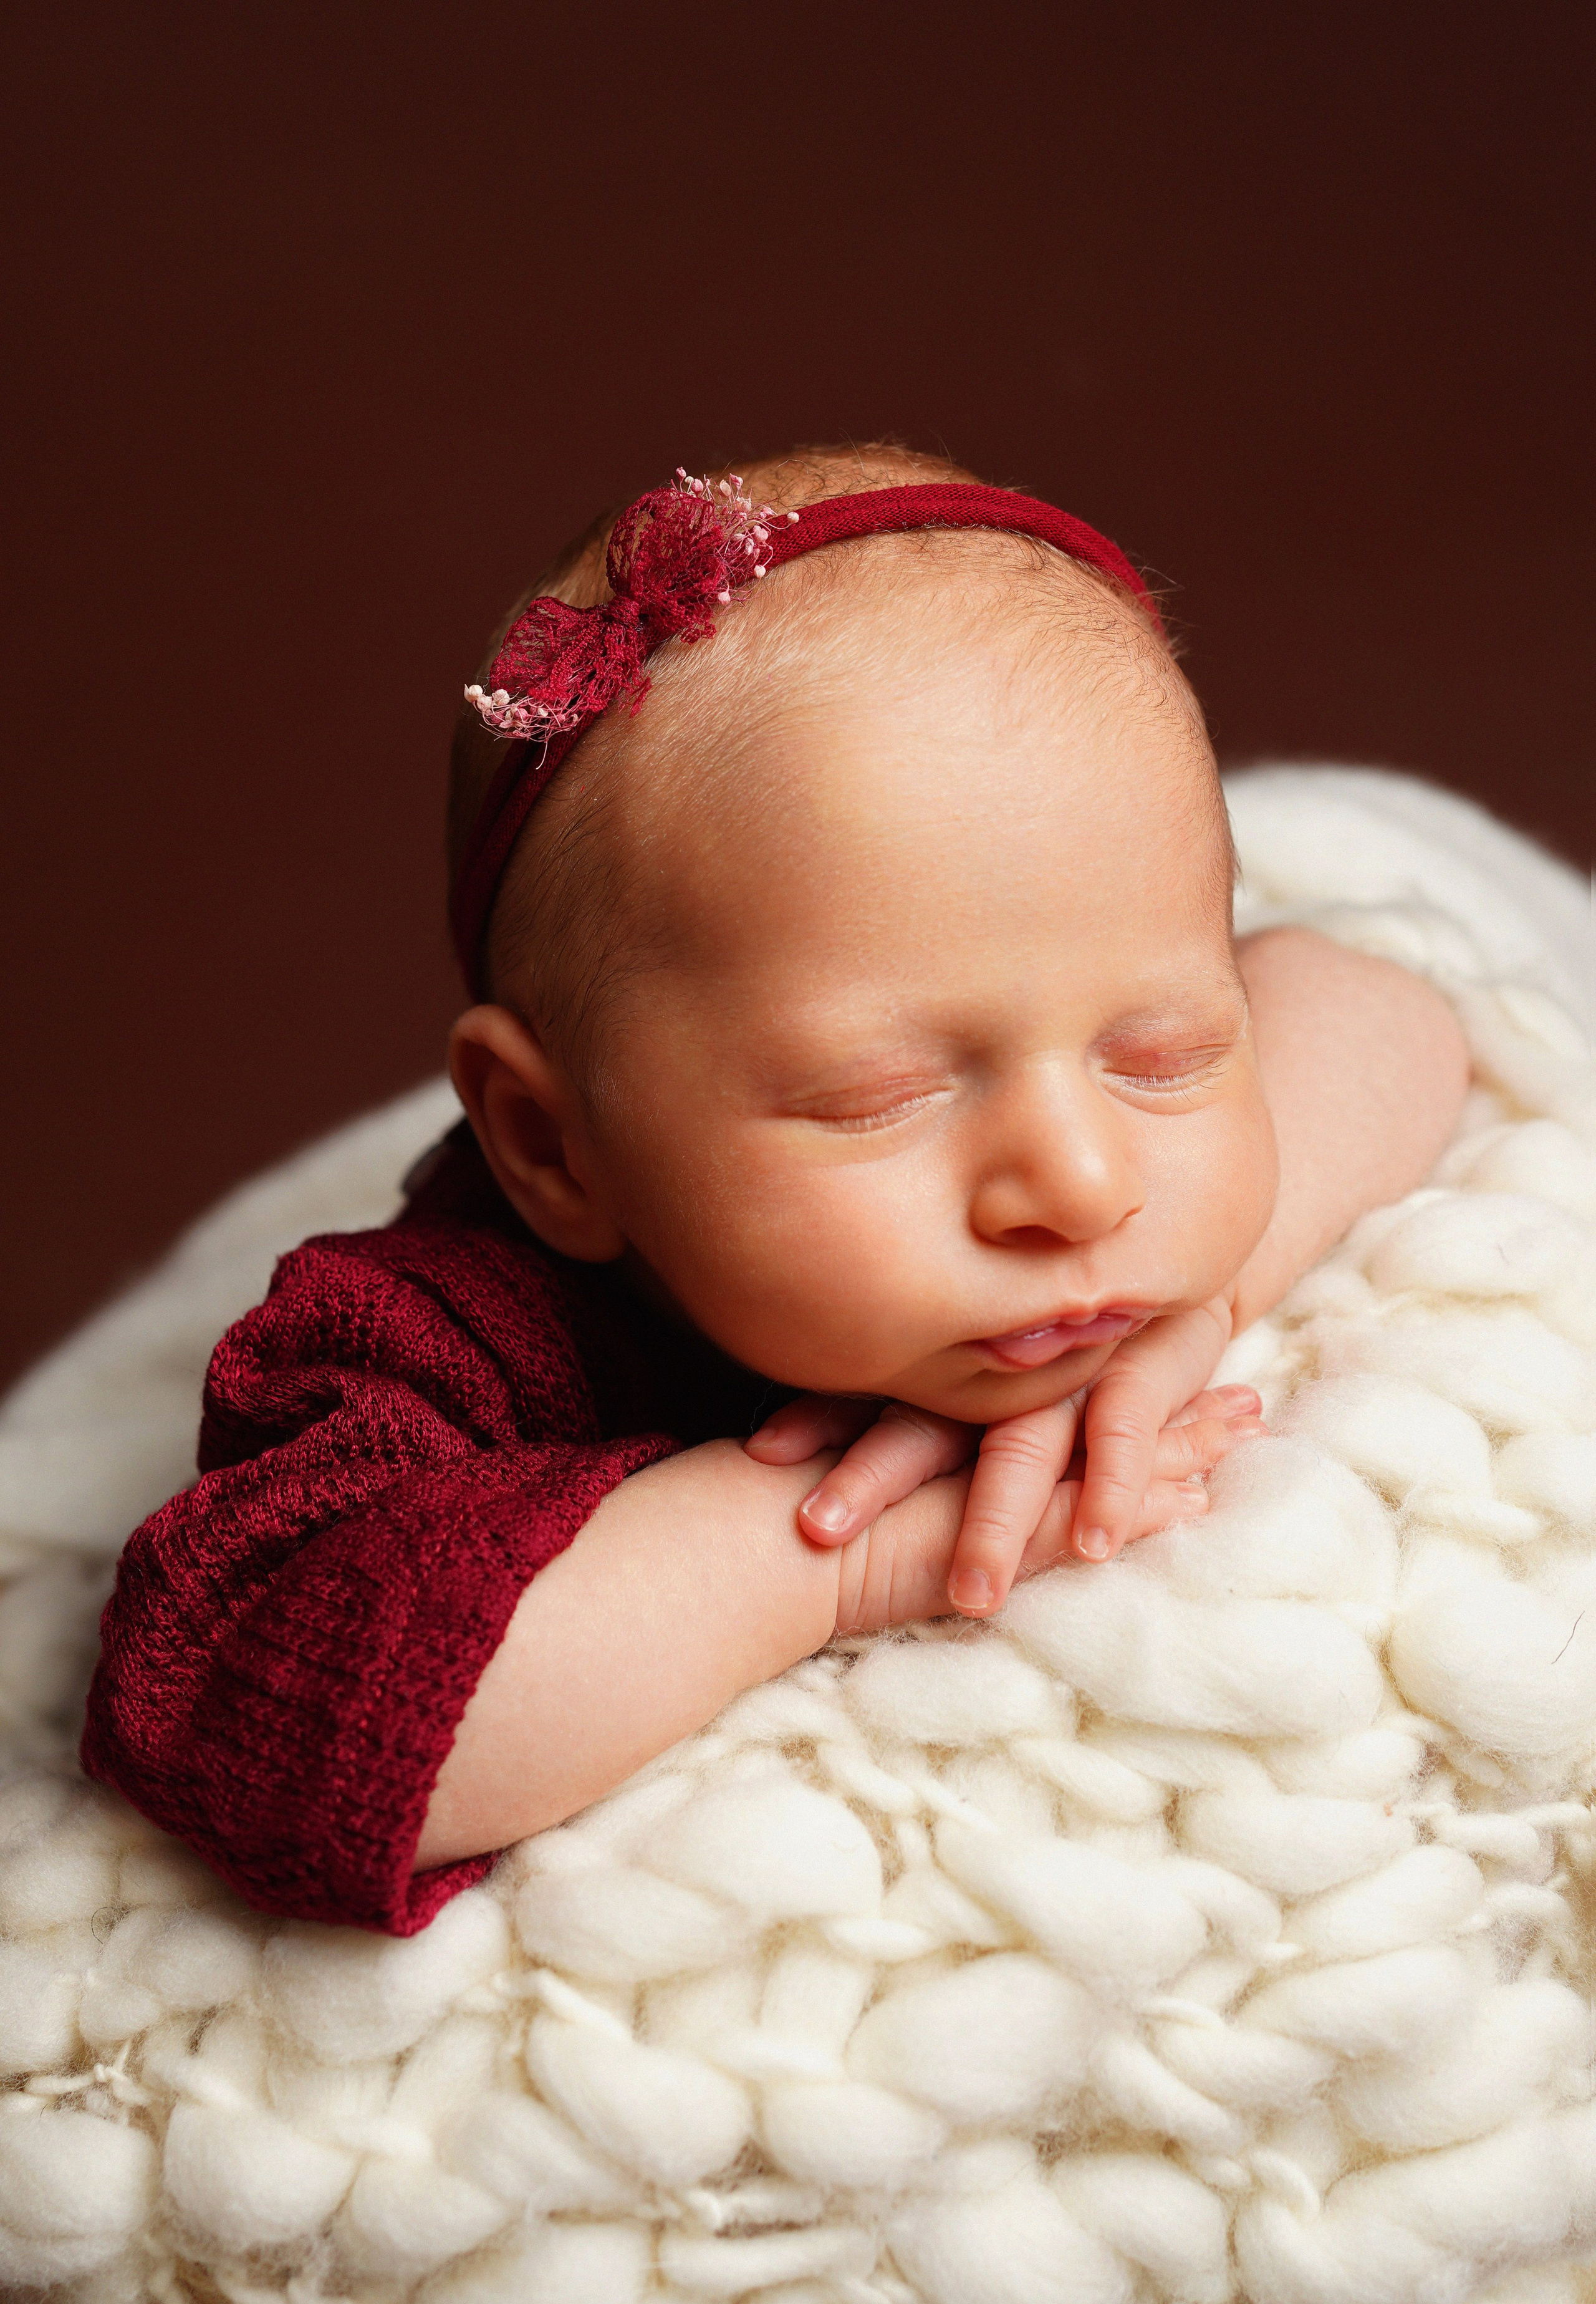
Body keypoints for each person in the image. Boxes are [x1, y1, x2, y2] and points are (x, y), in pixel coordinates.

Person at [82, 445, 1470, 1932]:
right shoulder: (433, 1331)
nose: (1076, 1181)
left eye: (1162, 1052)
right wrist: (829, 1549)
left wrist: (1196, 1310)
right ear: (554, 1147)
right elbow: (283, 1718)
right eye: (880, 1097)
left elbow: (1384, 1011)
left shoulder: (1121, 1190)